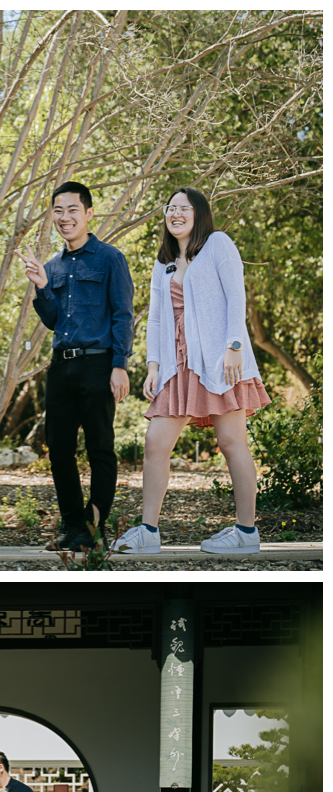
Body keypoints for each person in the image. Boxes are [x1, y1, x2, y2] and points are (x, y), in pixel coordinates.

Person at [111, 187, 271, 555]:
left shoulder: (218, 244)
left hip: (219, 362)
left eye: (183, 208)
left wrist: (234, 348)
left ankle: (246, 532)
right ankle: (148, 531)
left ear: (199, 213)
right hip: (177, 366)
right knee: (155, 442)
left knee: (232, 443)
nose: (175, 214)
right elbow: (154, 318)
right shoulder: (163, 261)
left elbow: (236, 297)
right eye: (170, 209)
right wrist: (153, 366)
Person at [17, 181, 134, 551]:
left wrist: (120, 364)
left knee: (100, 447)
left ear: (88, 213)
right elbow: (53, 320)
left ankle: (95, 530)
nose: (64, 217)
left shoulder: (110, 258)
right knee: (59, 448)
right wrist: (41, 287)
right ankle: (73, 528)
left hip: (99, 366)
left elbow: (123, 314)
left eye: (71, 210)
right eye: (57, 211)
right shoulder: (51, 265)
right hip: (60, 367)